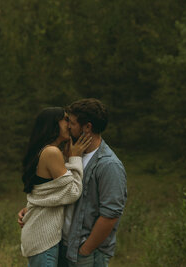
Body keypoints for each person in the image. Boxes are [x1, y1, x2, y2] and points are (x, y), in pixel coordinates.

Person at [19, 99, 127, 267]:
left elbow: (110, 215)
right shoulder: (73, 154)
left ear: (87, 127)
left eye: (72, 122)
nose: (68, 125)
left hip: (86, 253)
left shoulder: (108, 165)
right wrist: (31, 209)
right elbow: (59, 192)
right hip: (63, 245)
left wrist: (85, 250)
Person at [20, 107, 92, 267]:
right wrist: (75, 158)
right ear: (53, 123)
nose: (69, 124)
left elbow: (46, 191)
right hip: (43, 238)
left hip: (39, 234)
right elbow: (72, 192)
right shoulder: (51, 152)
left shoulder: (46, 151)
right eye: (66, 119)